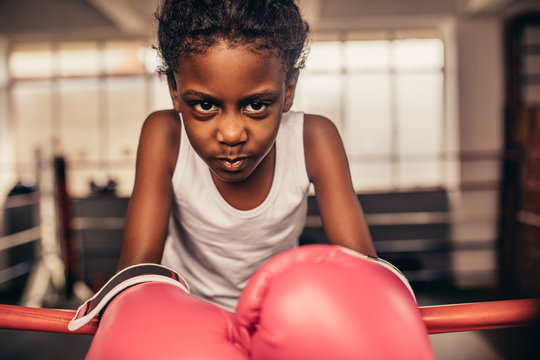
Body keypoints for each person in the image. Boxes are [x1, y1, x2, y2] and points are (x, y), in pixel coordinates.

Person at [118, 0, 377, 312]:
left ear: (289, 89)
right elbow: (133, 279)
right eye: (204, 105)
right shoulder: (165, 136)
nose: (230, 134)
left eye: (256, 105)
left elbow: (366, 275)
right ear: (175, 90)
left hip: (277, 317)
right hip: (187, 316)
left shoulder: (313, 139)